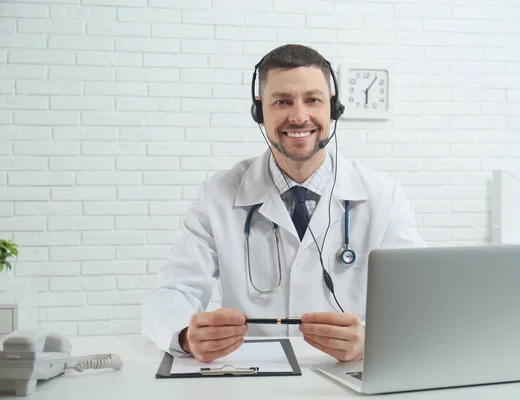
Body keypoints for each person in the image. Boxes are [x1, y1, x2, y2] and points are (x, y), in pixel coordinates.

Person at [141, 44, 424, 364]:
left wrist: (372, 339)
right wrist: (185, 336)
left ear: (333, 108)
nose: (299, 116)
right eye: (282, 101)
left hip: (344, 377)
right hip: (251, 373)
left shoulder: (383, 196)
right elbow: (171, 292)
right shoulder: (218, 195)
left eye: (313, 100)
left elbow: (415, 302)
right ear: (260, 112)